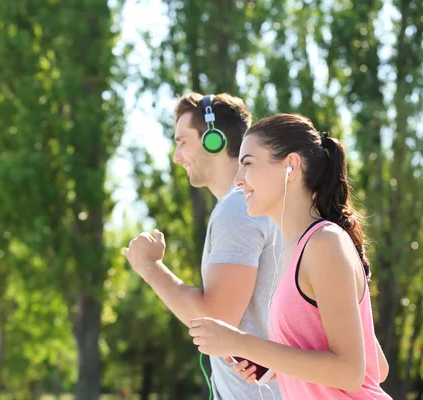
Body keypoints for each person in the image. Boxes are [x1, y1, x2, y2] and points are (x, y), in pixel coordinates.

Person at [188, 113, 391, 399]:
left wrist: (242, 343)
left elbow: (350, 372)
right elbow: (377, 366)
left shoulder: (325, 243)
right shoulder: (294, 251)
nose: (237, 180)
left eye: (247, 164)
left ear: (291, 166)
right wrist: (274, 364)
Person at [123, 93, 282, 399]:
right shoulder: (252, 204)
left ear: (214, 139)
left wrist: (150, 268)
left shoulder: (237, 209)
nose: (176, 156)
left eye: (182, 142)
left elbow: (216, 319)